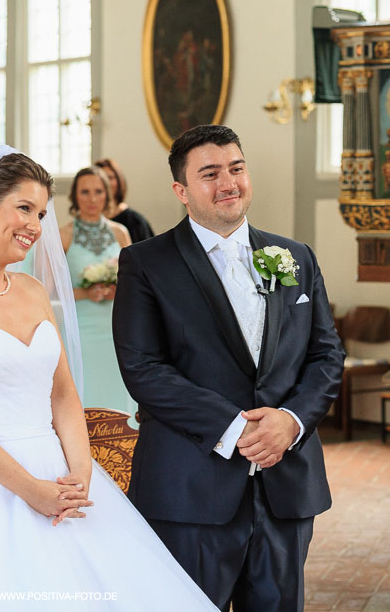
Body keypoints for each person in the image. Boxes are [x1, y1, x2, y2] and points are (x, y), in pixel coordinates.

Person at [0, 146, 217, 609]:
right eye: (24, 208)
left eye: (41, 212)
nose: (35, 225)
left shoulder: (33, 291)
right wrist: (31, 489)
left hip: (60, 472)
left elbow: (63, 392)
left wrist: (81, 469)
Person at [113, 124, 345, 611]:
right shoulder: (146, 263)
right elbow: (143, 368)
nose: (229, 183)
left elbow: (326, 355)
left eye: (237, 168)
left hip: (286, 483)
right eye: (210, 173)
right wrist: (233, 427)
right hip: (191, 486)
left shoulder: (296, 257)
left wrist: (292, 421)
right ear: (182, 190)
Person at [61, 166, 132, 413]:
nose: (92, 198)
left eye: (98, 191)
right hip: (82, 328)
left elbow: (133, 282)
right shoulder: (64, 235)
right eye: (85, 192)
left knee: (118, 389)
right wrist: (85, 293)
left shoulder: (120, 233)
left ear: (107, 194)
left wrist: (117, 289)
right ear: (75, 196)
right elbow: (49, 290)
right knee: (86, 391)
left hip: (116, 326)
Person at [95, 157, 155, 244]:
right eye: (100, 178)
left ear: (119, 181)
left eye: (110, 178)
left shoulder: (135, 222)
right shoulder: (87, 220)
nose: (105, 183)